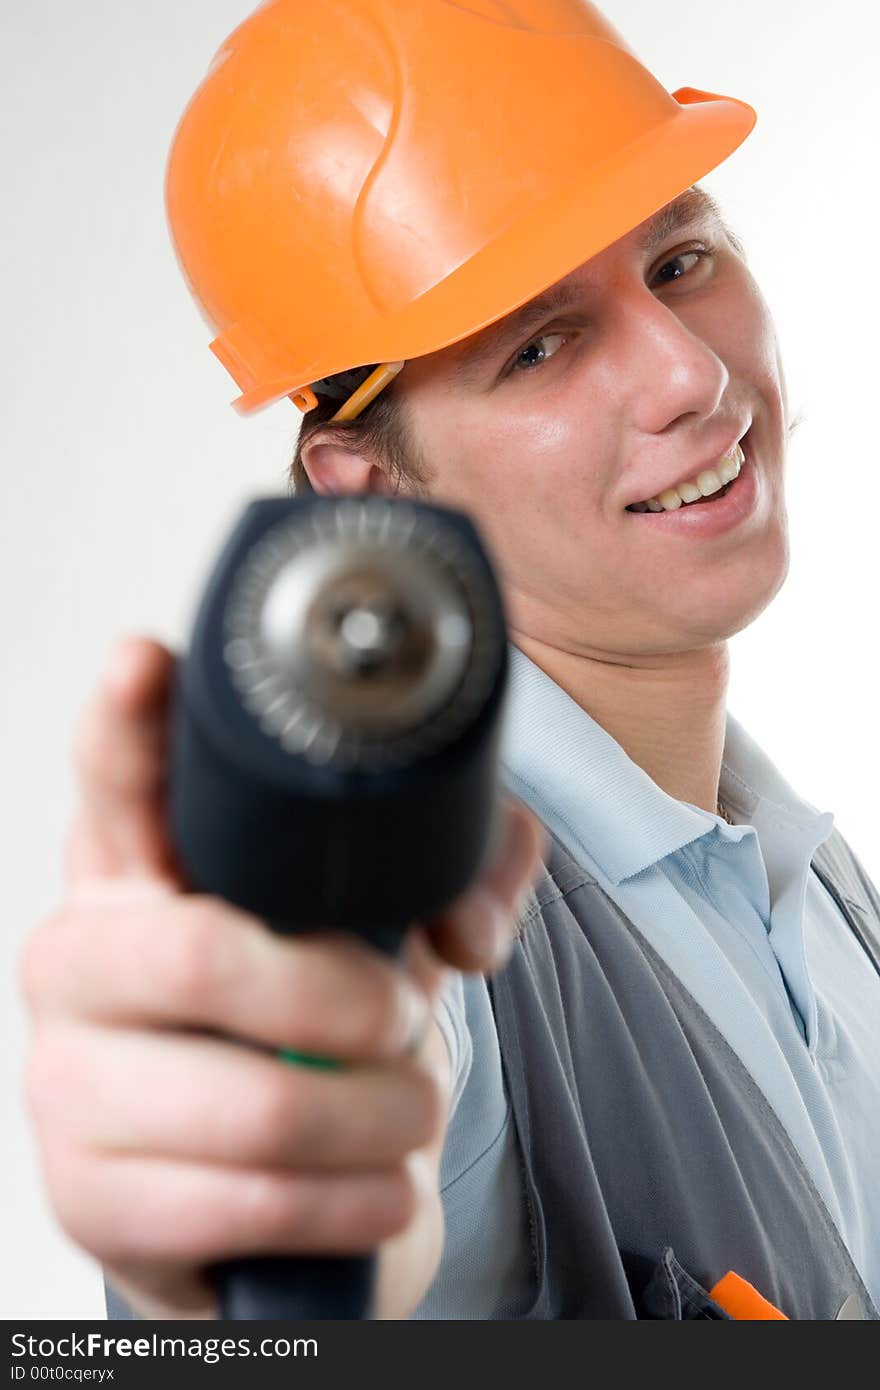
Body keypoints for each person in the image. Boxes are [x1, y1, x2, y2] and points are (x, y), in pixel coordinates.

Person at [21, 0, 880, 1321]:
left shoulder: (815, 883)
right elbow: (339, 1193)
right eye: (539, 344)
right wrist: (246, 1208)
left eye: (681, 260)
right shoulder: (438, 943)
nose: (688, 374)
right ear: (374, 495)